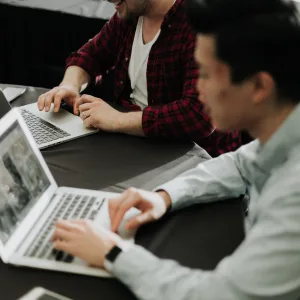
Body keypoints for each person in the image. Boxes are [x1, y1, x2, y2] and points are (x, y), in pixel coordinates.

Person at [52, 0, 300, 299]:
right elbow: (240, 164)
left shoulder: (292, 200)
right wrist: (163, 196)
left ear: (259, 87)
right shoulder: (281, 138)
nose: (198, 89)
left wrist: (114, 253)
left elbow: (219, 295)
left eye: (206, 74)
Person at [36, 0, 241, 157]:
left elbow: (199, 116)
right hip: (139, 145)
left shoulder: (200, 23)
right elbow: (90, 55)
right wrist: (70, 85)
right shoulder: (131, 14)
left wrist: (117, 119)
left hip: (194, 161)